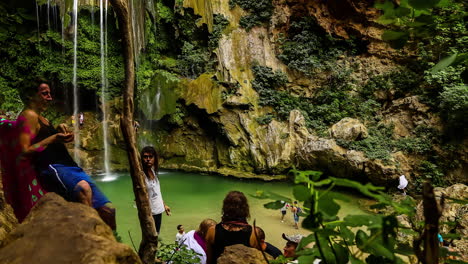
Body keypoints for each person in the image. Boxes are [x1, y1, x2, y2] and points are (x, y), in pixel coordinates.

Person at [18, 80, 116, 230]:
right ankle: (87, 241)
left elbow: (41, 136)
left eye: (49, 94)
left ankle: (112, 245)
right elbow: (24, 151)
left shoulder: (41, 117)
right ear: (31, 96)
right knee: (83, 190)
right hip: (53, 167)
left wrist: (57, 130)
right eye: (45, 94)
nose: (50, 98)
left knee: (108, 211)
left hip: (69, 166)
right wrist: (55, 137)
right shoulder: (29, 115)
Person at [205, 191, 262, 264]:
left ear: (225, 208)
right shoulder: (254, 233)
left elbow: (209, 260)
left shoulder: (212, 231)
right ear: (245, 209)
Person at [141, 146, 171, 234]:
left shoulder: (153, 171)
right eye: (145, 157)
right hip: (150, 214)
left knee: (156, 235)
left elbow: (157, 192)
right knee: (151, 237)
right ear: (142, 159)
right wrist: (147, 215)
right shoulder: (141, 175)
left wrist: (164, 205)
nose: (148, 159)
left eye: (150, 157)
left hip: (158, 211)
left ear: (155, 158)